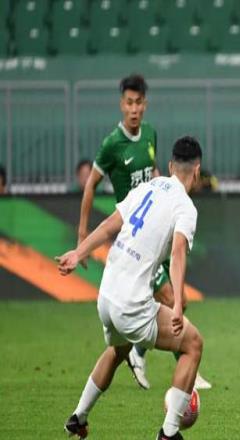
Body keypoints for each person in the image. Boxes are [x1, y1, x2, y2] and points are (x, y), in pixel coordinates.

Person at [58, 136, 204, 440]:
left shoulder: (147, 187)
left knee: (118, 348)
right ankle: (169, 433)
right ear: (197, 170)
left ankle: (78, 417)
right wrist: (178, 303)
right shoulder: (186, 207)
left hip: (106, 296)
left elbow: (109, 225)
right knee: (193, 344)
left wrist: (79, 252)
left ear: (170, 166)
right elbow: (178, 253)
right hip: (130, 304)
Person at [77, 74, 211, 391]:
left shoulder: (150, 134)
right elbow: (90, 185)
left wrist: (165, 189)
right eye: (129, 103)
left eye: (139, 102)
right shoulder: (112, 145)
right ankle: (155, 357)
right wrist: (82, 236)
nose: (134, 109)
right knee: (171, 300)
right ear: (121, 105)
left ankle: (146, 355)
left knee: (178, 302)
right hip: (135, 236)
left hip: (156, 226)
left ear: (145, 104)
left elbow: (154, 173)